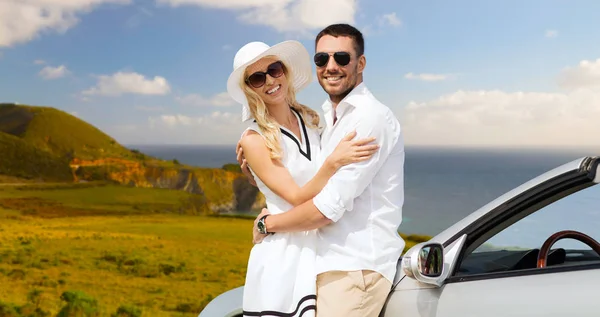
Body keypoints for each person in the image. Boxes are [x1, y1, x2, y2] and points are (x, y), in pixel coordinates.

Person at [238, 24, 406, 317]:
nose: (331, 67)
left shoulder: (357, 119)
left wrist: (268, 224)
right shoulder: (324, 118)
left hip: (353, 264)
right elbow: (295, 189)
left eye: (342, 58)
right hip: (303, 260)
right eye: (256, 77)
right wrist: (259, 177)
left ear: (360, 63)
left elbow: (325, 208)